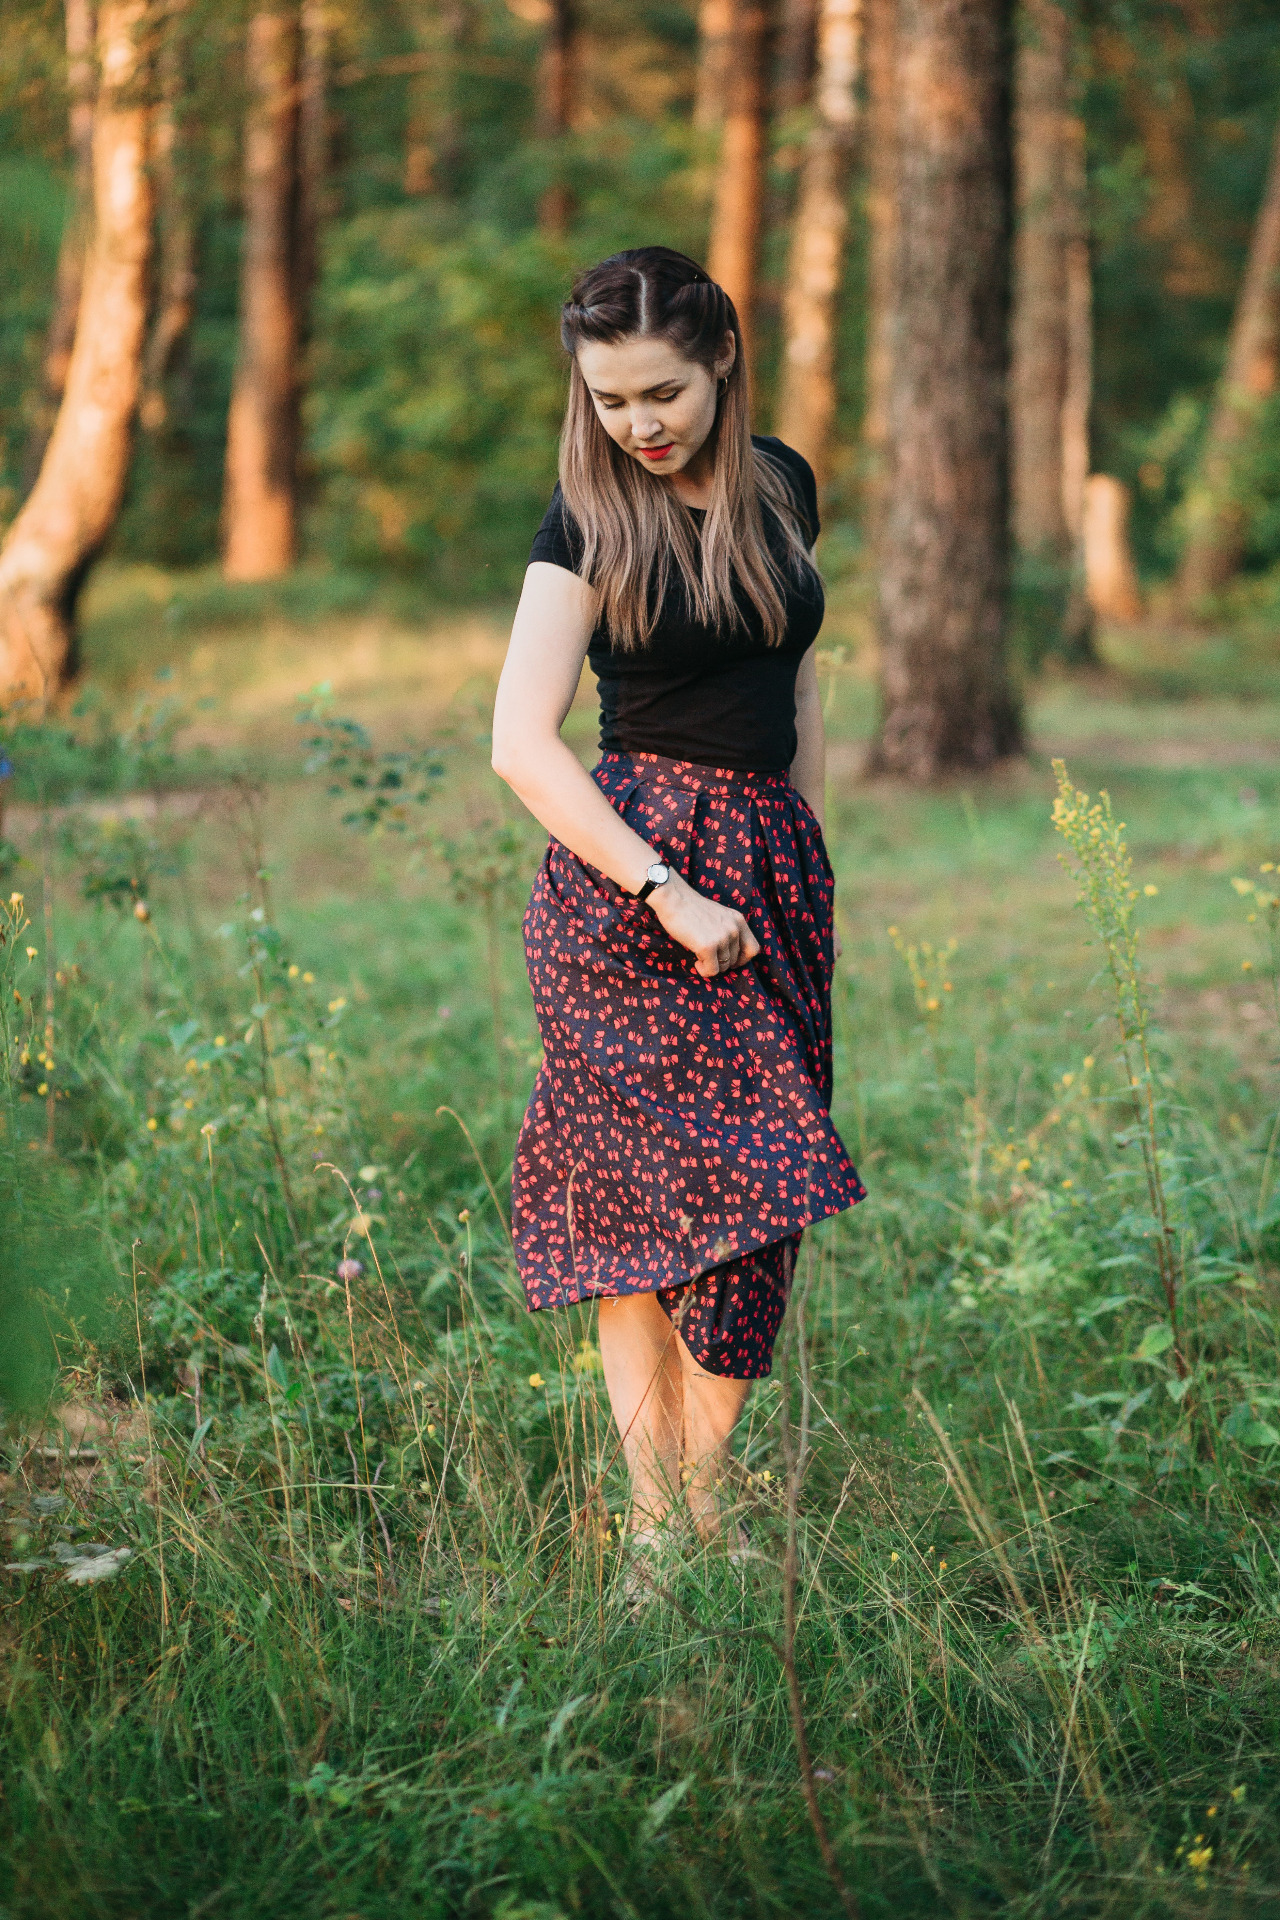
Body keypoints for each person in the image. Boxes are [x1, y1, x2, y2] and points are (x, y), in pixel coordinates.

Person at [491, 246, 865, 1560]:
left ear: (721, 360)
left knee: (758, 1209)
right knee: (650, 1211)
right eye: (609, 400)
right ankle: (671, 1531)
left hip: (767, 867)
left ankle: (679, 1517)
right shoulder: (584, 522)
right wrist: (663, 888)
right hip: (628, 878)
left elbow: (799, 678)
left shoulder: (781, 485)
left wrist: (808, 845)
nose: (637, 426)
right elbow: (520, 742)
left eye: (661, 393)